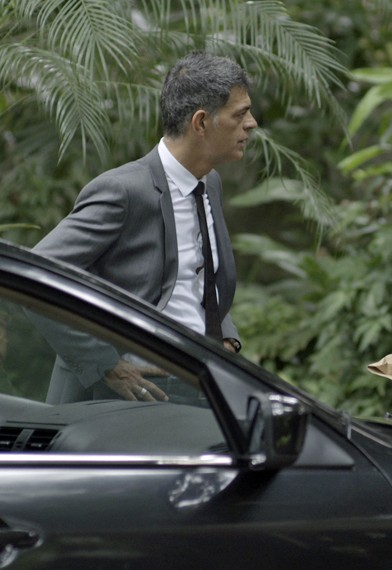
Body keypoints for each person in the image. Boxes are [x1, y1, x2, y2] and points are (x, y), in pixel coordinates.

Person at [33, 52, 258, 404]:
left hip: (201, 380)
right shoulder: (124, 191)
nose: (252, 124)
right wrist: (105, 364)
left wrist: (223, 336)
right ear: (201, 123)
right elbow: (39, 273)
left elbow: (203, 278)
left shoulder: (209, 183)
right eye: (240, 114)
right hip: (124, 398)